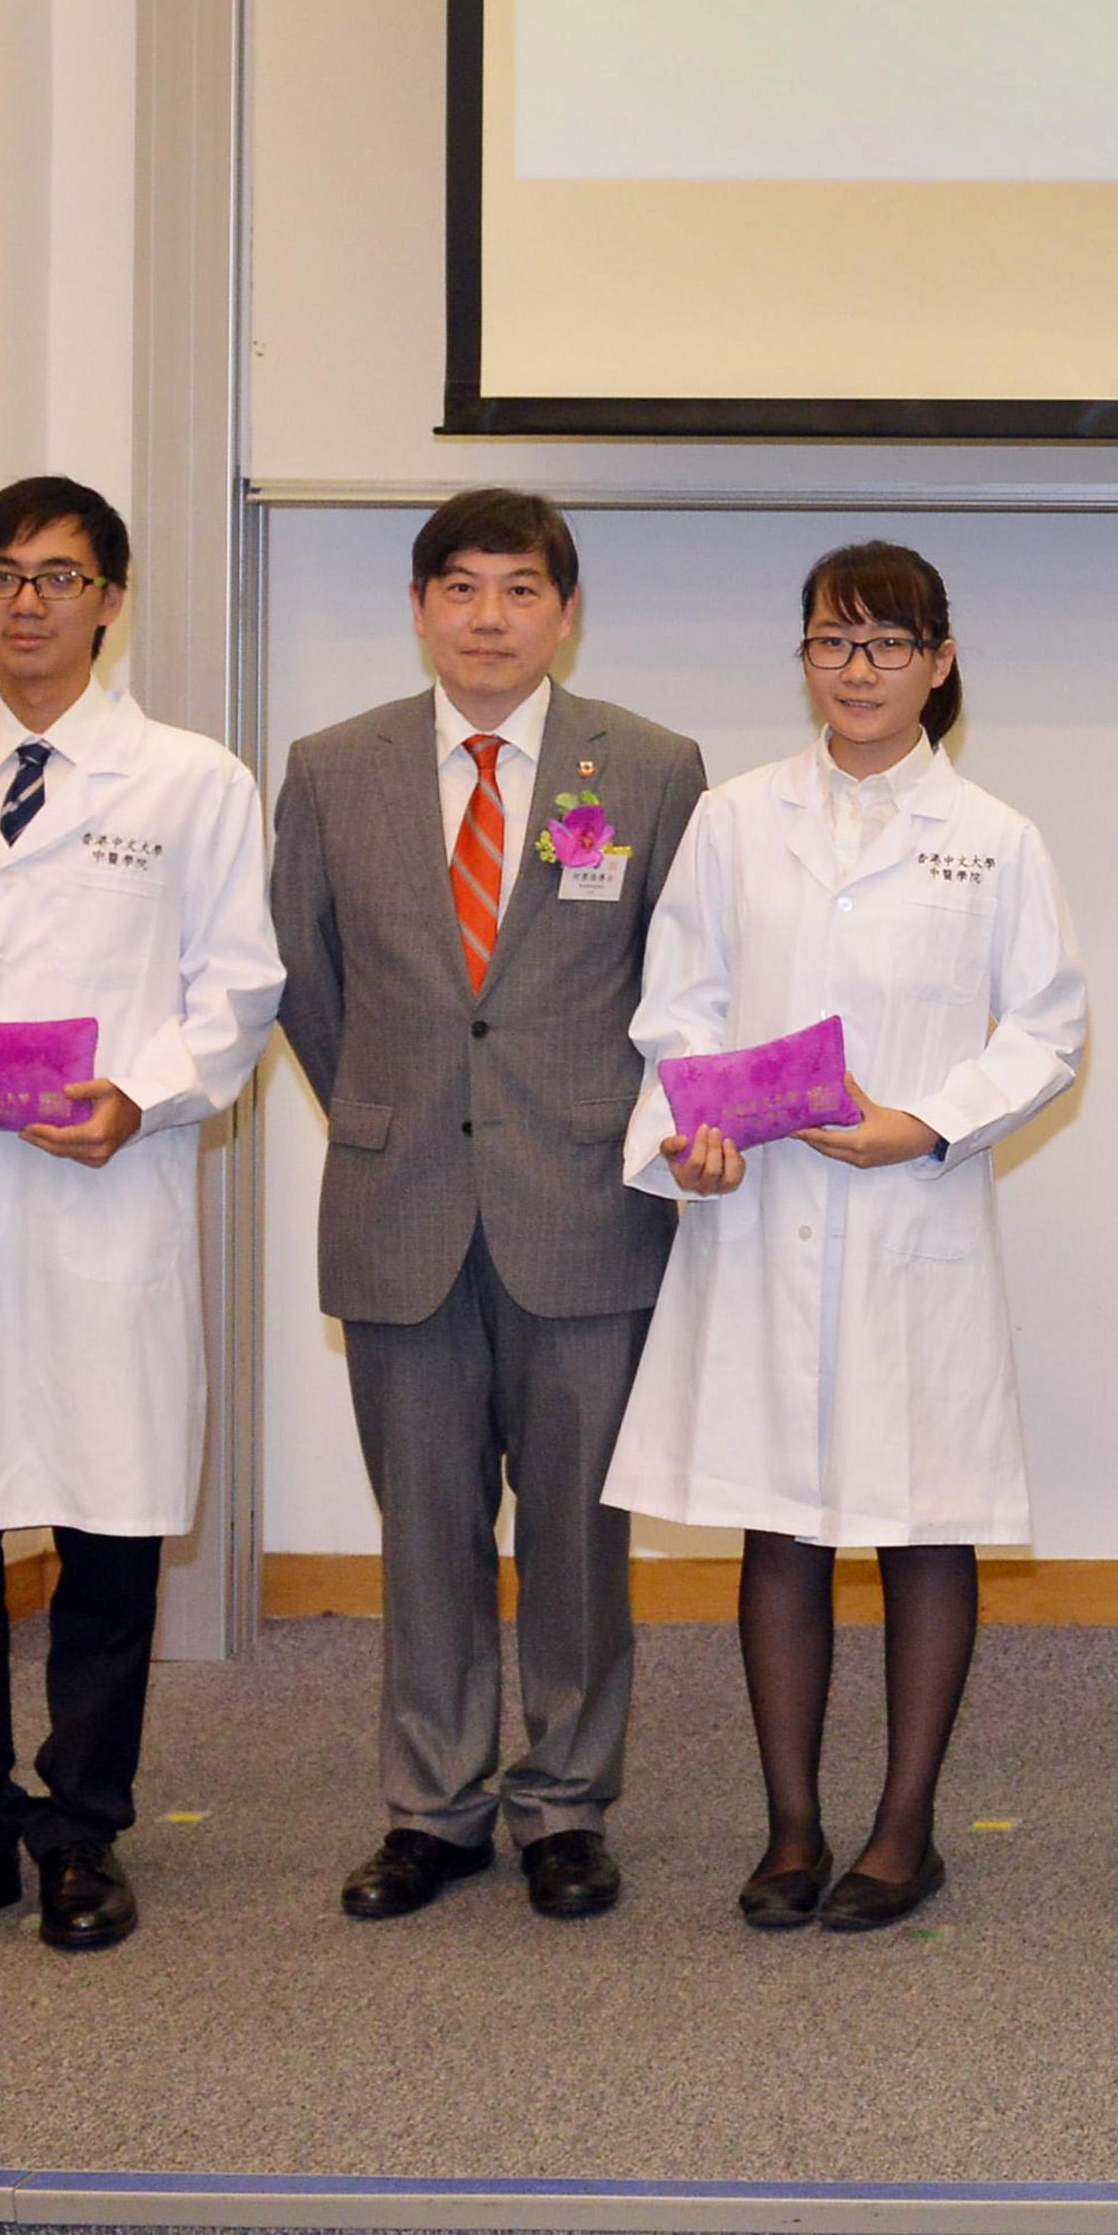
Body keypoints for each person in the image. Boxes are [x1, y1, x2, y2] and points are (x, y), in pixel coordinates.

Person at [0, 480, 281, 1958]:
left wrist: (143, 1096)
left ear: (109, 599)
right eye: (4, 578)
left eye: (61, 578)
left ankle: (83, 1834)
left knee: (107, 1525)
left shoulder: (192, 782)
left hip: (105, 1190)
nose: (30, 604)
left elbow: (240, 987)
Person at [615, 541, 1089, 1935]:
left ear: (940, 663)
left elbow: (1048, 1029)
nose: (862, 668)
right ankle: (791, 1830)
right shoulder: (735, 819)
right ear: (805, 659)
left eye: (890, 643)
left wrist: (930, 1123)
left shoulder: (994, 835)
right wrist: (689, 1128)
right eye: (835, 641)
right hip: (757, 1211)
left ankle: (902, 1831)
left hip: (911, 1218)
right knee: (783, 1523)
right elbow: (678, 1006)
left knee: (921, 1521)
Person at [269, 491, 709, 1926]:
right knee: (426, 1532)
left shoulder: (649, 768)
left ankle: (567, 1803)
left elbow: (679, 982)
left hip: (584, 1204)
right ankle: (433, 1806)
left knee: (579, 1533)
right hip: (400, 1200)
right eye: (459, 590)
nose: (489, 620)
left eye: (520, 591)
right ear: (418, 608)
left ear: (565, 613)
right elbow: (311, 987)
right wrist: (396, 1112)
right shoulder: (335, 771)